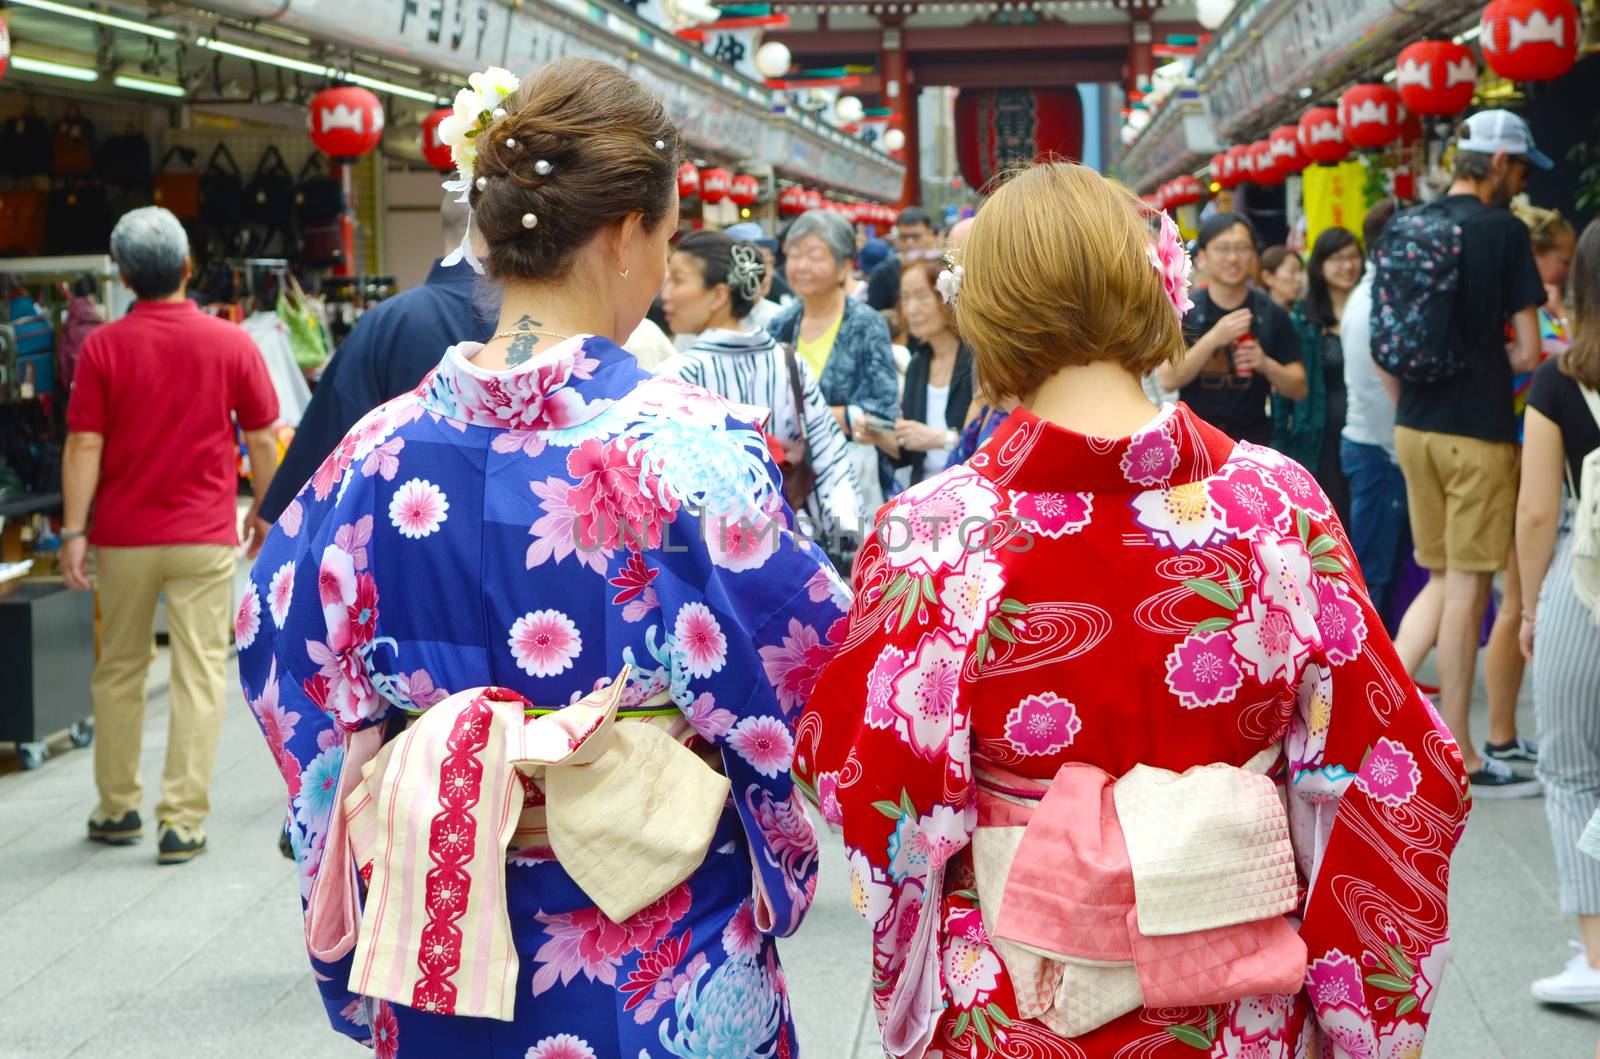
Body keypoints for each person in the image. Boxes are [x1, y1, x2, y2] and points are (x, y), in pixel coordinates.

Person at [239, 58, 847, 1056]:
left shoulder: (375, 452)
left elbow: (276, 647)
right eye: (664, 232)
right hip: (659, 935)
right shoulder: (692, 448)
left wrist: (394, 771)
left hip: (442, 932)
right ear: (625, 234)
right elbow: (807, 673)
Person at [795, 161, 1468, 1057]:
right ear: (1159, 288)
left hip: (1013, 997)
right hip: (1240, 1002)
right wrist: (1365, 1020)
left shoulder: (935, 533)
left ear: (986, 314)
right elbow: (1391, 762)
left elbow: (882, 794)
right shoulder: (1279, 502)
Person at [61, 206, 281, 863]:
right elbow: (264, 435)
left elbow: (83, 443)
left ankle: (117, 806)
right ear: (188, 268)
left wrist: (73, 530)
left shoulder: (103, 346)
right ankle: (181, 820)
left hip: (122, 536)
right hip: (203, 536)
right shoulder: (230, 342)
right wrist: (266, 511)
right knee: (199, 673)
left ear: (125, 277)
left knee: (120, 669)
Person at [1390, 109, 1549, 797]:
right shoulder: (1505, 231)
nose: (1520, 182)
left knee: (1436, 575)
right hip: (1476, 429)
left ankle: (1388, 712)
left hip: (1414, 424)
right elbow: (1530, 347)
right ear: (1499, 163)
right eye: (1519, 168)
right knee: (1468, 587)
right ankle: (1460, 756)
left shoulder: (1408, 223)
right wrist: (1491, 363)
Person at [259, 196, 492, 524]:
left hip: (397, 531)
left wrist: (274, 515)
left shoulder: (385, 323)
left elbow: (330, 440)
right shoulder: (541, 327)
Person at [1518, 219, 1600, 1005]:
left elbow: (1539, 511)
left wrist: (1530, 607)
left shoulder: (1558, 381)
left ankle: (1598, 958)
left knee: (1574, 771)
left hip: (1584, 585)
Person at [659, 229, 861, 534]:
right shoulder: (788, 362)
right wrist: (846, 534)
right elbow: (830, 460)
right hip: (792, 542)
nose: (666, 294)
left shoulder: (674, 376)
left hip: (709, 548)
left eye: (678, 279)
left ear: (718, 295)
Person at [1481, 203, 1578, 768]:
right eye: (1559, 259)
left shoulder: (1537, 313)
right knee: (1518, 600)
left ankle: (1504, 730)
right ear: (1537, 257)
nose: (1565, 270)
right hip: (1525, 461)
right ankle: (1499, 732)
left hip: (1528, 459)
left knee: (1517, 598)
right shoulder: (1530, 318)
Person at [768, 208, 901, 511]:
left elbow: (884, 412)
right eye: (795, 254)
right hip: (791, 480)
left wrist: (812, 416)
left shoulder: (866, 324)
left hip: (851, 480)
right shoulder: (780, 324)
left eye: (814, 255)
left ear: (844, 268)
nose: (801, 265)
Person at [1158, 212, 1308, 445]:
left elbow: (1299, 387)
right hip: (1196, 443)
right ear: (1202, 258)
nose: (1233, 258)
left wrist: (1265, 363)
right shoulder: (1186, 310)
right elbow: (1168, 379)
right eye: (1222, 249)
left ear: (1253, 257)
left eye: (1241, 248)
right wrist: (1214, 338)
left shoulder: (1271, 313)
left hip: (1253, 444)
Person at [1339, 199, 1409, 628]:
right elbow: (1377, 396)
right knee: (1373, 575)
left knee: (1382, 569)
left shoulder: (1376, 296)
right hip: (1377, 454)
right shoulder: (1371, 304)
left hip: (1377, 452)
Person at [864, 258, 974, 489]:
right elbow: (911, 451)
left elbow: (991, 442)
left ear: (947, 298)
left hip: (968, 489)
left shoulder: (976, 360)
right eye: (905, 298)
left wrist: (940, 439)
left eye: (922, 296)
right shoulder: (917, 365)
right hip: (925, 492)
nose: (911, 308)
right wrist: (877, 435)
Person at [1277, 227, 1363, 522]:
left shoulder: (1370, 310)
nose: (1348, 266)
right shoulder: (1305, 318)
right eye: (1337, 259)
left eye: (1353, 257)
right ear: (1320, 265)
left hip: (1368, 431)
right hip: (1322, 435)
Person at [865, 205, 940, 312]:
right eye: (903, 237)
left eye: (916, 236)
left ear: (930, 235)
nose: (909, 242)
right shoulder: (882, 273)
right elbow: (872, 316)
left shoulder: (941, 268)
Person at [1260, 244, 1306, 310]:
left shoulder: (1307, 312)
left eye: (1300, 271)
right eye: (1292, 271)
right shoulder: (1256, 314)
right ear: (1268, 277)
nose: (1299, 279)